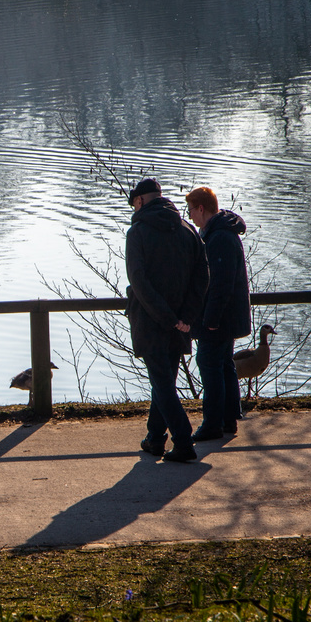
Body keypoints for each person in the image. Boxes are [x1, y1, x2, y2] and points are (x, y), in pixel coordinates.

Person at [125, 177, 207, 463]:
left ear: (140, 201)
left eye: (134, 203)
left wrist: (168, 318)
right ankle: (155, 438)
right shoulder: (188, 230)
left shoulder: (138, 232)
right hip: (180, 324)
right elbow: (202, 277)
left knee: (162, 383)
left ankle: (183, 441)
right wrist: (186, 317)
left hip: (152, 322)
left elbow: (138, 282)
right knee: (163, 380)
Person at [184, 187, 252, 441]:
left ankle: (213, 423)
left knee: (209, 364)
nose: (190, 216)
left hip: (219, 319)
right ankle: (228, 419)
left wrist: (210, 318)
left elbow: (219, 283)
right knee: (224, 365)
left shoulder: (219, 237)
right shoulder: (222, 232)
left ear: (201, 208)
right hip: (228, 317)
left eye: (191, 210)